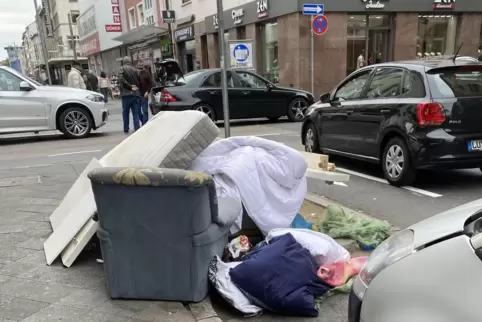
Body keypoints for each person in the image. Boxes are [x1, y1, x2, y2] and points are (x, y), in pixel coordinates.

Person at [119, 56, 141, 133]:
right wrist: (135, 87)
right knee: (135, 112)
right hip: (135, 94)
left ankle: (126, 128)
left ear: (124, 62)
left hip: (126, 94)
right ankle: (137, 127)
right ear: (130, 62)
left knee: (125, 112)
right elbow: (139, 80)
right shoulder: (135, 70)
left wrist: (129, 86)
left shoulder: (122, 68)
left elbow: (121, 79)